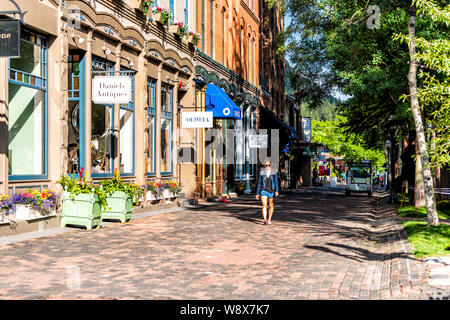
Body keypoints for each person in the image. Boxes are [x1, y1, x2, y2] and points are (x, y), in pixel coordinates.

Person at [256, 158, 279, 225]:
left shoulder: (274, 172)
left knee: (271, 205)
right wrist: (257, 193)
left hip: (271, 190)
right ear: (264, 166)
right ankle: (265, 219)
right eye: (266, 165)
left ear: (270, 165)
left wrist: (276, 190)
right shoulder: (262, 173)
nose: (267, 167)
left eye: (268, 165)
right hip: (263, 190)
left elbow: (276, 182)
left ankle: (269, 219)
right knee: (264, 204)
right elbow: (259, 183)